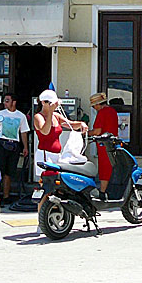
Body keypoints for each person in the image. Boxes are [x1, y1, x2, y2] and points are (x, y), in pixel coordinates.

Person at [33, 90, 88, 232]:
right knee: (46, 189)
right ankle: (41, 221)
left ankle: (56, 216)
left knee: (58, 188)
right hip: (45, 155)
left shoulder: (57, 115)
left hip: (57, 156)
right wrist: (50, 113)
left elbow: (70, 124)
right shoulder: (38, 117)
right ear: (45, 103)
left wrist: (80, 124)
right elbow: (44, 131)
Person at [0, 93, 30, 204]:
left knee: (9, 172)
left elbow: (23, 132)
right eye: (4, 101)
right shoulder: (1, 114)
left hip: (14, 145)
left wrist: (25, 147)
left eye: (7, 101)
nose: (5, 103)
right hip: (1, 144)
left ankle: (6, 197)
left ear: (14, 102)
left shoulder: (21, 116)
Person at [88, 92, 118, 199]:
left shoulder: (102, 112)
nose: (94, 108)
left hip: (104, 144)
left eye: (94, 106)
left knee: (104, 168)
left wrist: (86, 133)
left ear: (98, 104)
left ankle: (102, 192)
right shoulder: (112, 111)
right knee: (110, 167)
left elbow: (97, 131)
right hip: (113, 143)